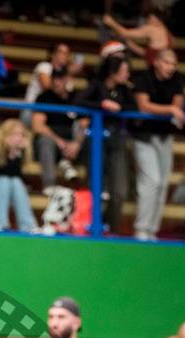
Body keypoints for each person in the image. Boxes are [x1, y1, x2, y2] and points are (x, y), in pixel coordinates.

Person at [75, 54, 136, 236]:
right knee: (96, 187)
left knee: (120, 192)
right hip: (97, 140)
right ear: (113, 72)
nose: (127, 74)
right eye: (124, 71)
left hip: (117, 141)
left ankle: (111, 228)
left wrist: (119, 107)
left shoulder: (124, 90)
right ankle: (95, 227)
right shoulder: (96, 85)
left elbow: (134, 108)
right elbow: (78, 102)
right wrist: (102, 104)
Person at [131, 49, 185, 242]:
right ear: (157, 63)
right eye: (167, 63)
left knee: (162, 183)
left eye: (173, 64)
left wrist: (172, 109)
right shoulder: (144, 77)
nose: (171, 67)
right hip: (144, 136)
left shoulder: (177, 79)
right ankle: (141, 230)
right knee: (151, 180)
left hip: (165, 137)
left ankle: (152, 231)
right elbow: (143, 106)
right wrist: (169, 109)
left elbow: (178, 107)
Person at [0, 119, 40, 234]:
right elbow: (0, 171)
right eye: (15, 134)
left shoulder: (23, 152)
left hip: (9, 183)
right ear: (6, 135)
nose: (19, 138)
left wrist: (17, 154)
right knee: (5, 180)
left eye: (21, 134)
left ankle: (28, 225)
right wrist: (12, 155)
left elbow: (18, 175)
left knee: (15, 181)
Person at [32, 65, 89, 192]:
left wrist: (77, 144)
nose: (57, 82)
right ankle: (49, 187)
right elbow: (37, 126)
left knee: (93, 140)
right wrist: (59, 141)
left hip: (73, 143)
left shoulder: (76, 99)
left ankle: (94, 191)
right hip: (53, 141)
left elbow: (84, 125)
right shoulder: (44, 98)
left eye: (61, 78)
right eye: (54, 78)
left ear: (68, 79)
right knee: (45, 141)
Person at [21, 41, 83, 127]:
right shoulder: (44, 66)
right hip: (32, 110)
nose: (63, 55)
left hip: (53, 112)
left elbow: (65, 96)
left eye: (66, 53)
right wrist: (69, 73)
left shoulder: (67, 74)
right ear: (52, 54)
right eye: (60, 52)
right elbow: (47, 86)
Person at [103, 8, 174, 67]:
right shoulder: (169, 35)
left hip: (154, 73)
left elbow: (125, 33)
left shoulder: (153, 29)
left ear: (155, 18)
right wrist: (129, 43)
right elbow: (147, 53)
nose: (146, 20)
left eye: (148, 18)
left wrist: (110, 21)